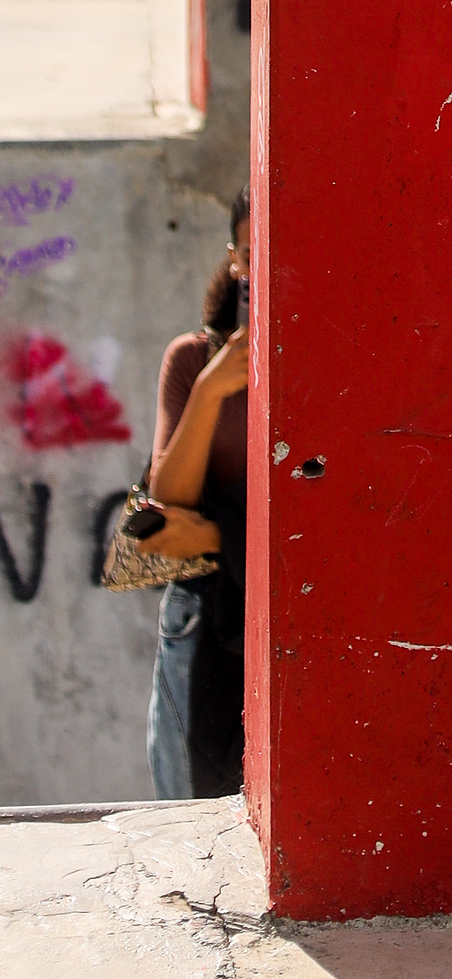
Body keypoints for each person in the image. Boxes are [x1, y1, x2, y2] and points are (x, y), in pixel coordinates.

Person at [145, 189, 249, 799]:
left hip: (306, 618)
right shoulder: (192, 359)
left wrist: (214, 533)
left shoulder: (340, 357)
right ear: (235, 259)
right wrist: (211, 391)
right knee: (189, 817)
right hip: (204, 618)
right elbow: (165, 508)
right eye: (252, 247)